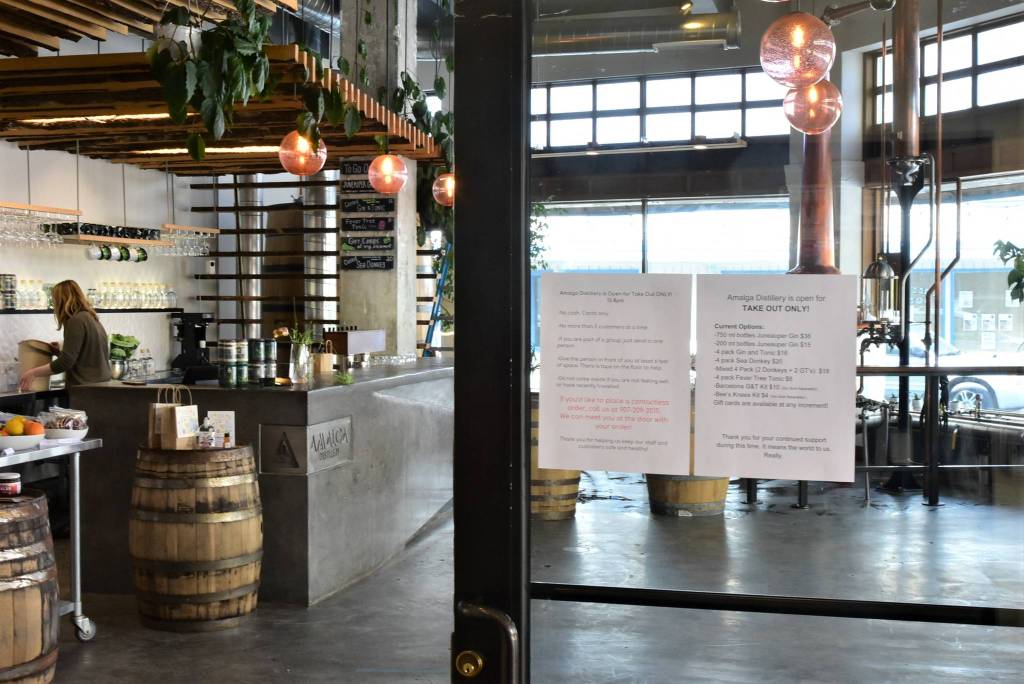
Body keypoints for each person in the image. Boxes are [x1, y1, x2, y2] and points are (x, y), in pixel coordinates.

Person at [19, 280, 111, 390]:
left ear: (61, 300)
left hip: (85, 388)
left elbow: (66, 362)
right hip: (101, 386)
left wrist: (33, 373)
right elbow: (85, 358)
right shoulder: (90, 317)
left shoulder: (76, 320)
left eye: (54, 300)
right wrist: (59, 353)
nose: (54, 305)